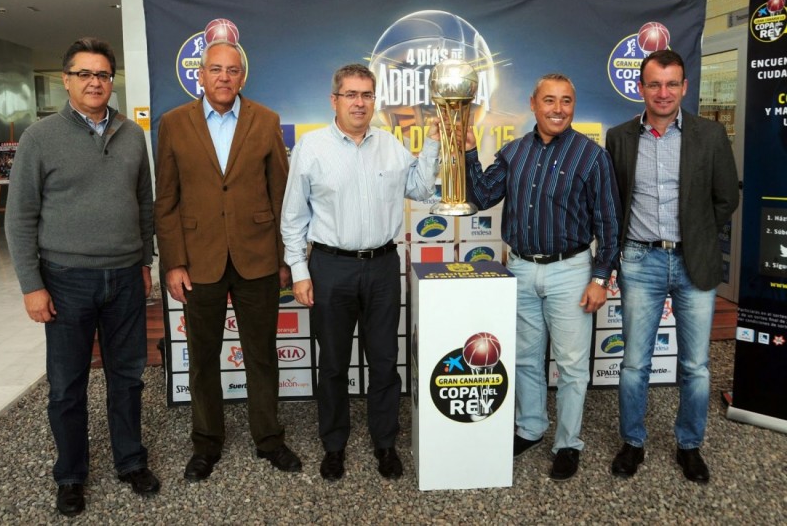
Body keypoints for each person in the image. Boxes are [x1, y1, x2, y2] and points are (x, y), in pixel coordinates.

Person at [5, 37, 159, 517]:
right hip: (66, 280)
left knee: (128, 378)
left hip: (126, 278)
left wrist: (145, 260)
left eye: (103, 75)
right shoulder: (39, 138)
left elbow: (145, 204)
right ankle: (71, 474)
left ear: (112, 81)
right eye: (85, 74)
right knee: (67, 385)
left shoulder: (132, 134)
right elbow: (20, 217)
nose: (96, 83)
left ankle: (130, 460)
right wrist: (32, 285)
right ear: (67, 79)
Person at [281, 63, 440, 481]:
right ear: (334, 100)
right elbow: (293, 217)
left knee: (385, 362)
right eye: (351, 94)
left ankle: (385, 444)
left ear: (374, 100)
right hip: (330, 267)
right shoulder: (311, 148)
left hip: (384, 267)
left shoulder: (390, 145)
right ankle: (334, 445)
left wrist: (436, 142)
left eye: (367, 95)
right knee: (332, 363)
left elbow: (422, 189)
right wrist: (299, 270)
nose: (359, 102)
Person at [154, 39, 301, 481]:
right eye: (215, 69)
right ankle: (206, 443)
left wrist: (284, 258)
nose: (223, 77)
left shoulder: (266, 120)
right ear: (201, 75)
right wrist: (174, 263)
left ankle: (269, 439)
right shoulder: (174, 123)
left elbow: (282, 194)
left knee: (261, 355)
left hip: (258, 258)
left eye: (232, 70)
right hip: (199, 263)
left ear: (242, 76)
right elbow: (167, 201)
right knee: (202, 358)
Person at [465, 73, 621, 481]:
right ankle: (531, 427)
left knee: (571, 365)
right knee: (526, 357)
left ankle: (568, 442)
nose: (558, 109)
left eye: (566, 101)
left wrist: (600, 278)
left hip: (571, 271)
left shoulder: (591, 156)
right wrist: (467, 152)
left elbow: (608, 223)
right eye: (549, 100)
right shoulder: (514, 152)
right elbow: (482, 196)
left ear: (573, 106)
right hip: (519, 267)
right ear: (533, 104)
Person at [606, 50, 739, 484]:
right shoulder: (619, 137)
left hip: (692, 263)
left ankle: (689, 445)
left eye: (672, 84)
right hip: (640, 261)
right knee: (633, 363)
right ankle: (633, 442)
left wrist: (700, 236)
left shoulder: (711, 135)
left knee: (696, 367)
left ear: (684, 87)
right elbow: (614, 201)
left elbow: (726, 199)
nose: (663, 93)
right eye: (654, 84)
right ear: (640, 88)